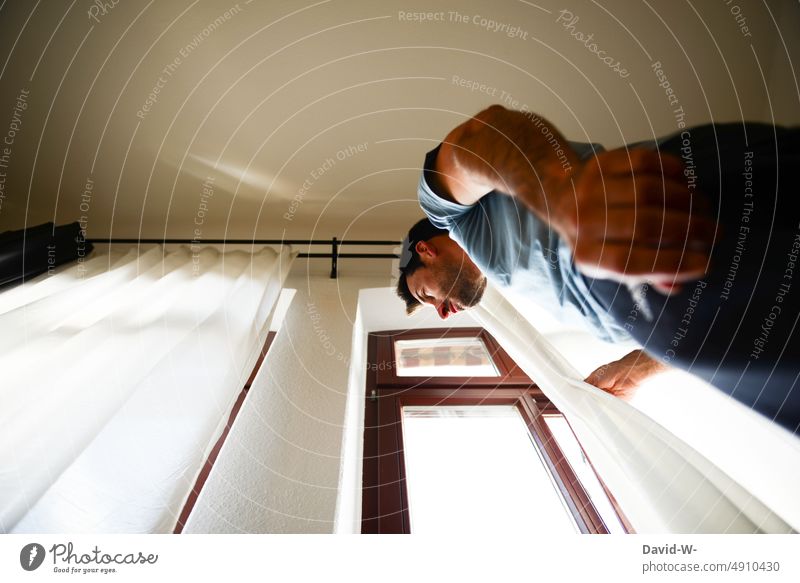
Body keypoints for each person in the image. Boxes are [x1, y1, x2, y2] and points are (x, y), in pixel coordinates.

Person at [397, 105, 800, 432]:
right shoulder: (513, 276)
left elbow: (480, 138)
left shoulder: (451, 217)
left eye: (424, 294)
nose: (443, 311)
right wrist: (642, 364)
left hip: (649, 218)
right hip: (676, 326)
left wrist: (565, 197)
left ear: (426, 250)